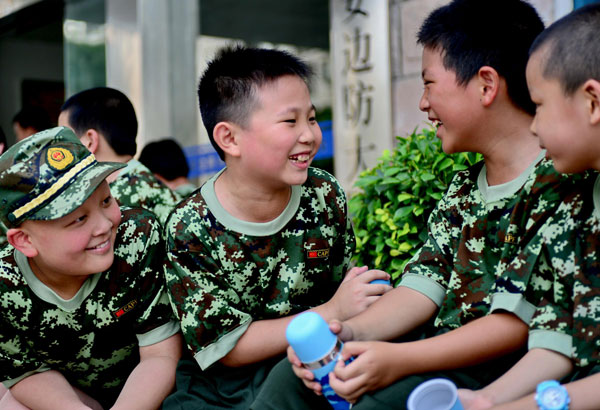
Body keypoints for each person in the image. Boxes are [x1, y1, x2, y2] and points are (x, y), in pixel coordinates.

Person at [249, 1, 590, 409]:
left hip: (499, 369)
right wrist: (349, 335)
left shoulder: (559, 186)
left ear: (486, 85)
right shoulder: (464, 188)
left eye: (429, 83)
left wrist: (399, 360)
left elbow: (516, 327)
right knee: (293, 379)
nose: (423, 103)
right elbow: (421, 286)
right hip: (439, 351)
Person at [161, 46, 391, 409]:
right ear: (229, 138)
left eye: (312, 119)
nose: (309, 135)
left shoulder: (323, 193)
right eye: (290, 121)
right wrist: (331, 311)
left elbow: (345, 289)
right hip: (224, 391)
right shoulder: (189, 226)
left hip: (317, 363)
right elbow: (228, 348)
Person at [458, 5, 600, 409]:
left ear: (591, 101)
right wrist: (486, 400)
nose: (533, 126)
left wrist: (539, 404)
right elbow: (559, 333)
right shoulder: (577, 208)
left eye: (539, 105)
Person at [0, 126, 182, 409]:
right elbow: (27, 373)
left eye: (106, 201)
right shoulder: (4, 283)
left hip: (151, 392)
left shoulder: (136, 238)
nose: (104, 225)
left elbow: (160, 355)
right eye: (79, 219)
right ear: (24, 240)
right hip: (72, 396)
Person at [58, 87, 181, 225]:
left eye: (65, 140)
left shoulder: (111, 203)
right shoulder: (144, 183)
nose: (61, 150)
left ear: (90, 141)